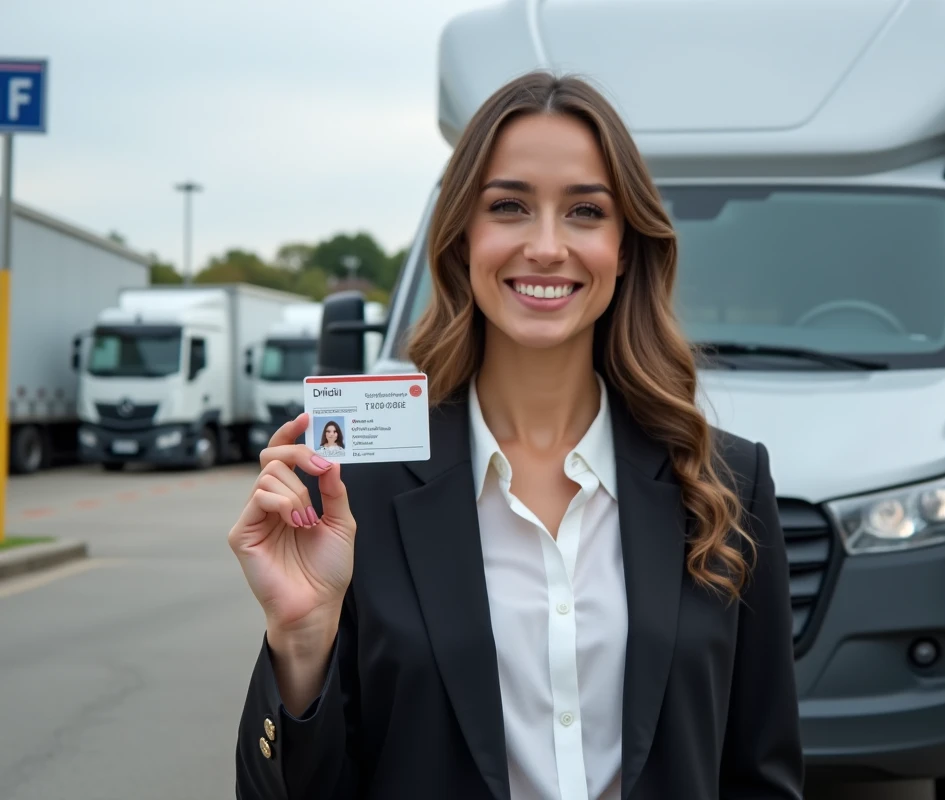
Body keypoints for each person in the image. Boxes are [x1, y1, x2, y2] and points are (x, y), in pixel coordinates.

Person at [228, 70, 804, 800]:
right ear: (463, 237)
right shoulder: (353, 492)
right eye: (509, 206)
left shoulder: (727, 485)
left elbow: (763, 775)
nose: (546, 246)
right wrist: (300, 641)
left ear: (625, 247)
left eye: (585, 212)